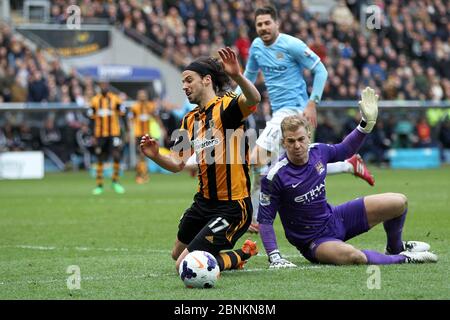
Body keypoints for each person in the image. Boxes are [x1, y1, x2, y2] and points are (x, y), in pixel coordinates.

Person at [257, 87, 437, 268]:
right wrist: (275, 257)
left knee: (399, 202)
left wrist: (366, 124)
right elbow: (265, 220)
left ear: (308, 137)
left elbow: (345, 149)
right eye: (291, 141)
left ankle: (395, 248)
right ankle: (405, 258)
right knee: (354, 256)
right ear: (283, 143)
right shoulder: (274, 176)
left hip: (336, 218)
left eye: (301, 139)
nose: (297, 145)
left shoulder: (318, 151)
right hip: (314, 241)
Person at [239, 5, 375, 233]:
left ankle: (253, 218)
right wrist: (231, 103)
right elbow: (248, 78)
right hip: (278, 113)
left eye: (267, 23)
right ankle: (348, 165)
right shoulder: (256, 47)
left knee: (256, 158)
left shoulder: (292, 44)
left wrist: (313, 102)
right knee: (294, 166)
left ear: (277, 23)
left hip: (293, 111)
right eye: (259, 24)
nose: (263, 28)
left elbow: (321, 70)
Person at [140, 47, 261, 272]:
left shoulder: (227, 106)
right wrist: (156, 155)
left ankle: (241, 254)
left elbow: (254, 98)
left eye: (189, 80)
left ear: (207, 80)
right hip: (203, 203)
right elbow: (177, 164)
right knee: (176, 253)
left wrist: (237, 76)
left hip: (232, 207)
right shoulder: (189, 119)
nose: (184, 86)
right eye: (182, 82)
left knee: (183, 265)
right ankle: (231, 255)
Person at [88, 81, 127, 195]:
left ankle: (115, 182)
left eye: (105, 85)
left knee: (116, 155)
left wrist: (124, 133)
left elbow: (123, 115)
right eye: (102, 85)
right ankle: (99, 185)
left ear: (108, 87)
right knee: (100, 157)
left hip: (114, 133)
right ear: (99, 87)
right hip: (100, 135)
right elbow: (91, 119)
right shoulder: (95, 100)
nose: (104, 87)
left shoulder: (115, 99)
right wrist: (92, 135)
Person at [129, 89, 164, 184]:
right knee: (140, 154)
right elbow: (131, 120)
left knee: (146, 155)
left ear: (147, 96)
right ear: (138, 97)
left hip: (148, 134)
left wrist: (162, 128)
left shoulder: (150, 106)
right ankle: (141, 175)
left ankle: (142, 175)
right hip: (138, 134)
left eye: (144, 95)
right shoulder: (134, 107)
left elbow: (156, 117)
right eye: (141, 95)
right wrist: (129, 133)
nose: (142, 97)